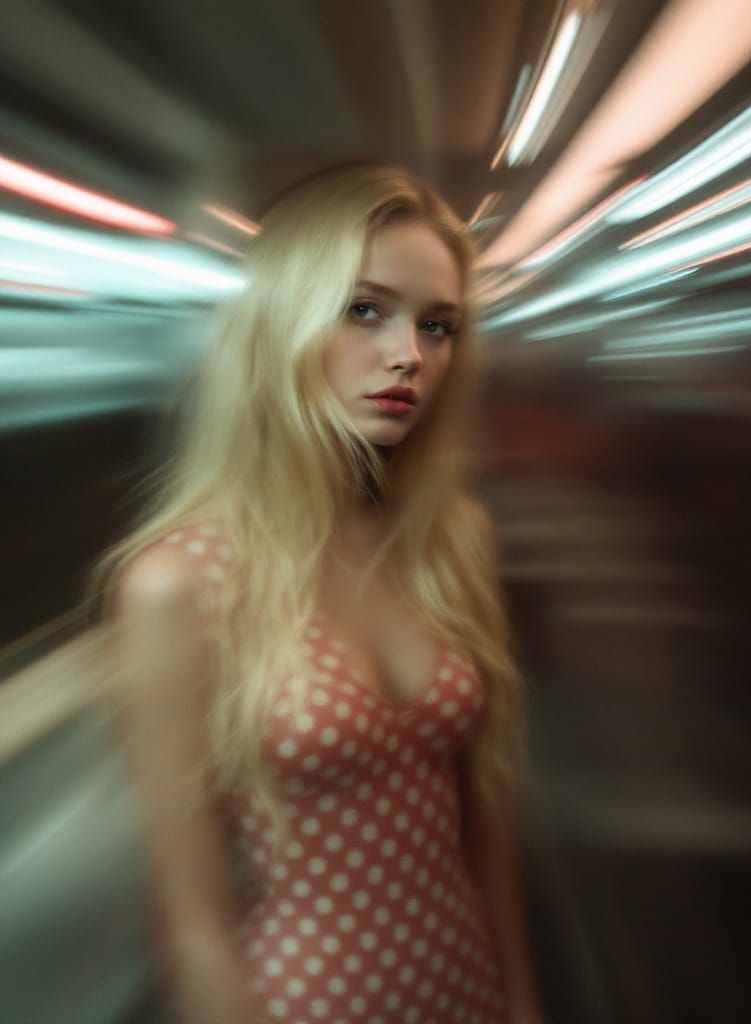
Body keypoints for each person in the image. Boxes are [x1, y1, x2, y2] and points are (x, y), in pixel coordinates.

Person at [99, 162, 544, 1024]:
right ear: (283, 321)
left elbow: (487, 828)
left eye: (438, 325)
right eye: (364, 309)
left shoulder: (453, 544)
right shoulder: (177, 584)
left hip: (468, 987)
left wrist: (523, 1005)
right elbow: (193, 923)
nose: (409, 354)